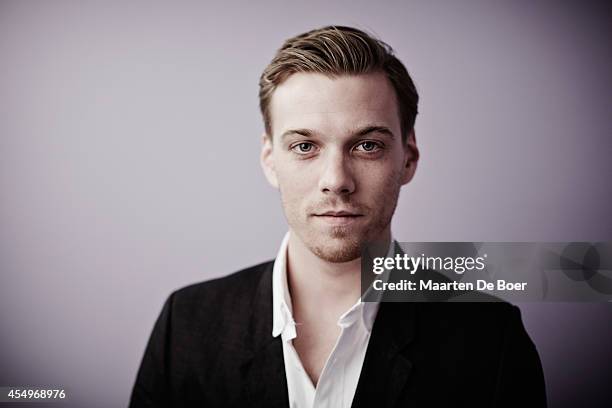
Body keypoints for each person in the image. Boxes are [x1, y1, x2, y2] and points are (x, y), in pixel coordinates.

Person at [129, 25, 546, 408]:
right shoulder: (185, 325)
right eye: (305, 146)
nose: (336, 181)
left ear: (409, 157)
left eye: (367, 146)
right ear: (269, 159)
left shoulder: (491, 340)